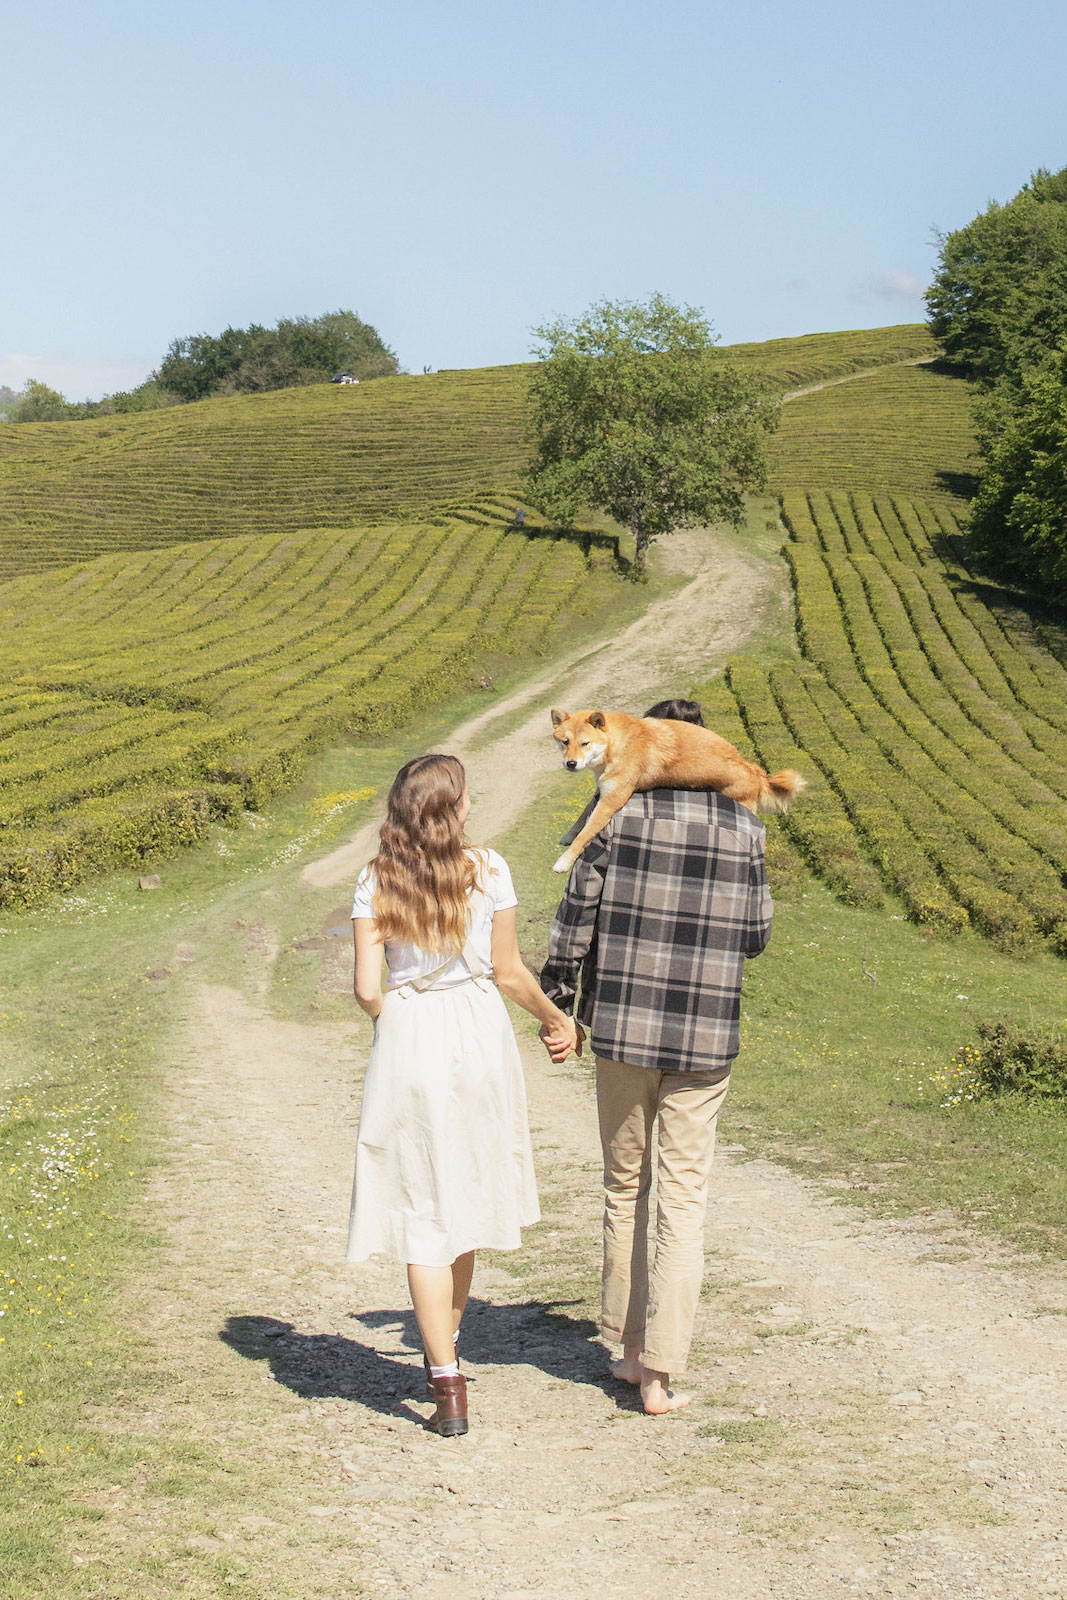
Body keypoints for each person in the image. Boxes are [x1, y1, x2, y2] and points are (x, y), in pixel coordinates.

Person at [540, 697, 772, 1414]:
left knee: (625, 1184)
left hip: (625, 1029)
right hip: (705, 1036)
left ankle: (629, 1348)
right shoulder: (745, 825)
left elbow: (574, 918)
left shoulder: (616, 818)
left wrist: (559, 1002)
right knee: (683, 1198)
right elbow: (756, 936)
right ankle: (664, 1372)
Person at [349, 754, 578, 1437]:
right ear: (453, 807)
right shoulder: (489, 868)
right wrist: (553, 1018)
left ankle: (444, 1379)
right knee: (466, 1197)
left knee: (422, 1206)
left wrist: (397, 1023)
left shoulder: (374, 878)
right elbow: (507, 971)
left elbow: (367, 989)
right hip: (476, 1030)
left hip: (411, 1026)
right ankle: (444, 1352)